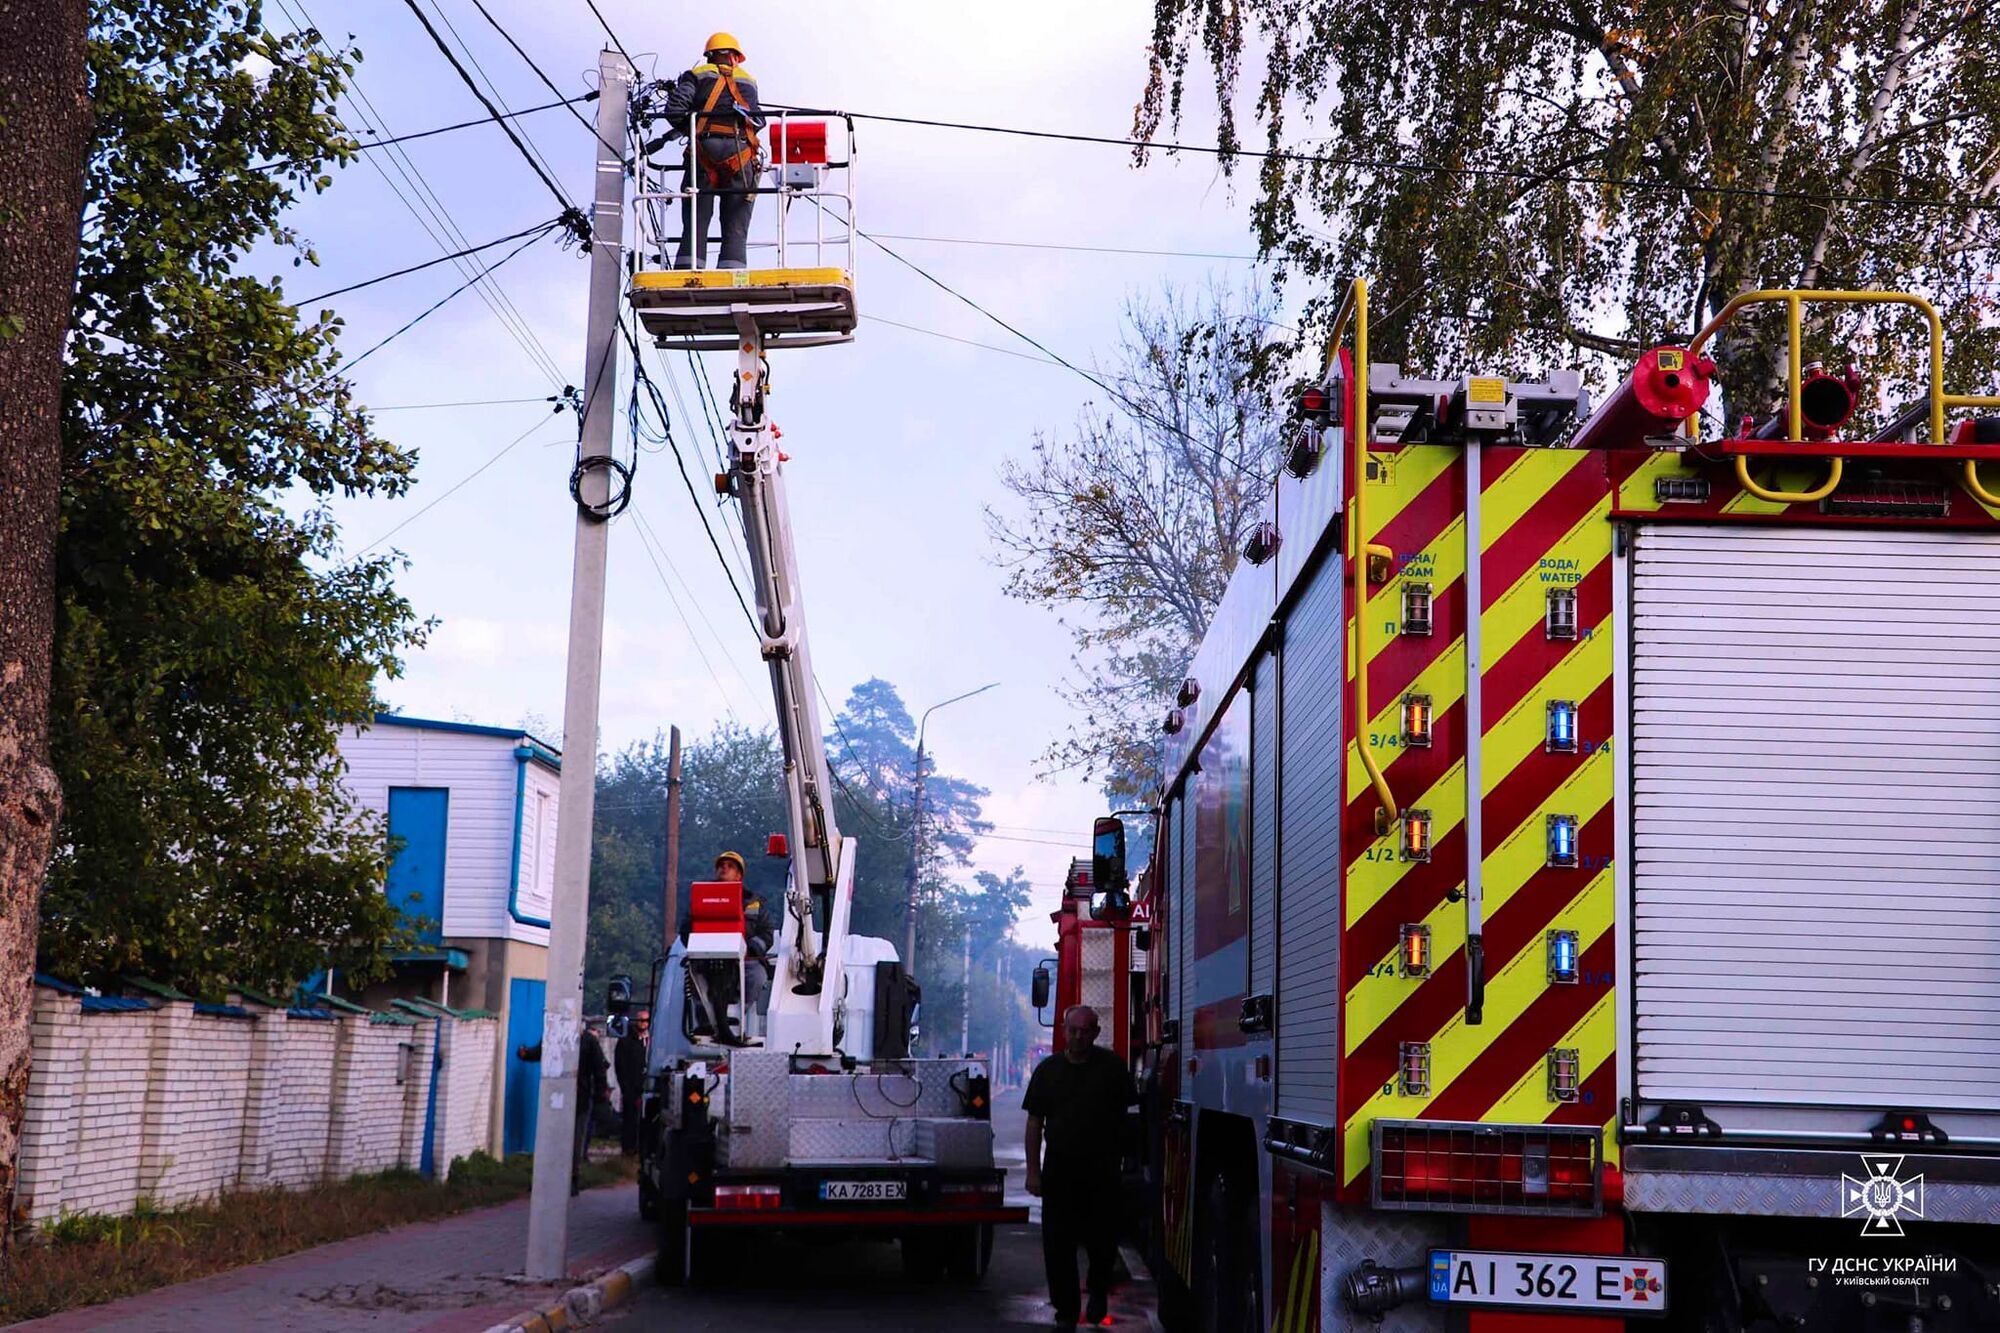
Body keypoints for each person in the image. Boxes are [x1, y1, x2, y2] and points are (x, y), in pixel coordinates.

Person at [1024, 1005, 1136, 1329]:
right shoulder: (1048, 1072)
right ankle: (1066, 1313)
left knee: (1102, 1242)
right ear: (1063, 1030)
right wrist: (1034, 1172)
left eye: (1085, 1030)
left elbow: (1128, 1120)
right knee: (1058, 1247)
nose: (1078, 1036)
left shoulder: (1112, 1069)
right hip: (1060, 1170)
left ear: (1096, 1033)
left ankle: (1098, 1290)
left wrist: (1128, 1162)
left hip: (1102, 1170)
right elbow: (1034, 1123)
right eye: (1073, 1030)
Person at [660, 32, 765, 270]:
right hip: (741, 154)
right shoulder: (748, 81)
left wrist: (691, 130)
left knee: (696, 216)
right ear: (735, 57)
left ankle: (688, 268)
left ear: (710, 56)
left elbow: (675, 110)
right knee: (736, 222)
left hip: (704, 152)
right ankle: (733, 269)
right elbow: (759, 121)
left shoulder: (696, 75)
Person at [614, 1012, 647, 1156]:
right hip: (630, 1086)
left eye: (646, 1020)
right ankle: (628, 1147)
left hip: (645, 1085)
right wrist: (625, 1086)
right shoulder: (626, 1040)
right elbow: (620, 1064)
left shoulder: (651, 1040)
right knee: (630, 1117)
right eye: (641, 1020)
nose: (643, 1023)